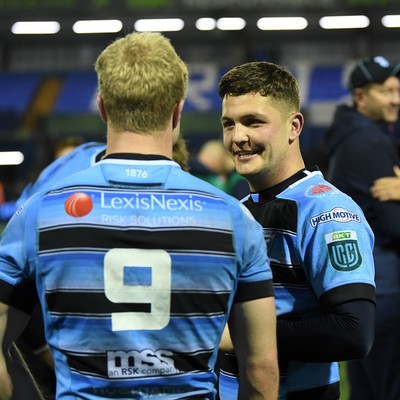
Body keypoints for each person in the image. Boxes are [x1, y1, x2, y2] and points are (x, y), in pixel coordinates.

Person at [0, 32, 279, 399]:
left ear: (102, 107)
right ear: (178, 111)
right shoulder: (232, 218)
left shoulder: (42, 212)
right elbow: (260, 366)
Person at [216, 61, 376, 400]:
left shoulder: (328, 211)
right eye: (229, 124)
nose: (237, 137)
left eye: (253, 122)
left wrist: (235, 336)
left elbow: (353, 332)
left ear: (294, 126)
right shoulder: (241, 208)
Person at [324, 56, 400, 400]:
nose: (395, 99)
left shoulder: (347, 136)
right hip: (385, 285)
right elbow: (395, 225)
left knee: (367, 389)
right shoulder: (371, 142)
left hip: (360, 284)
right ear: (360, 96)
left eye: (397, 90)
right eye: (386, 91)